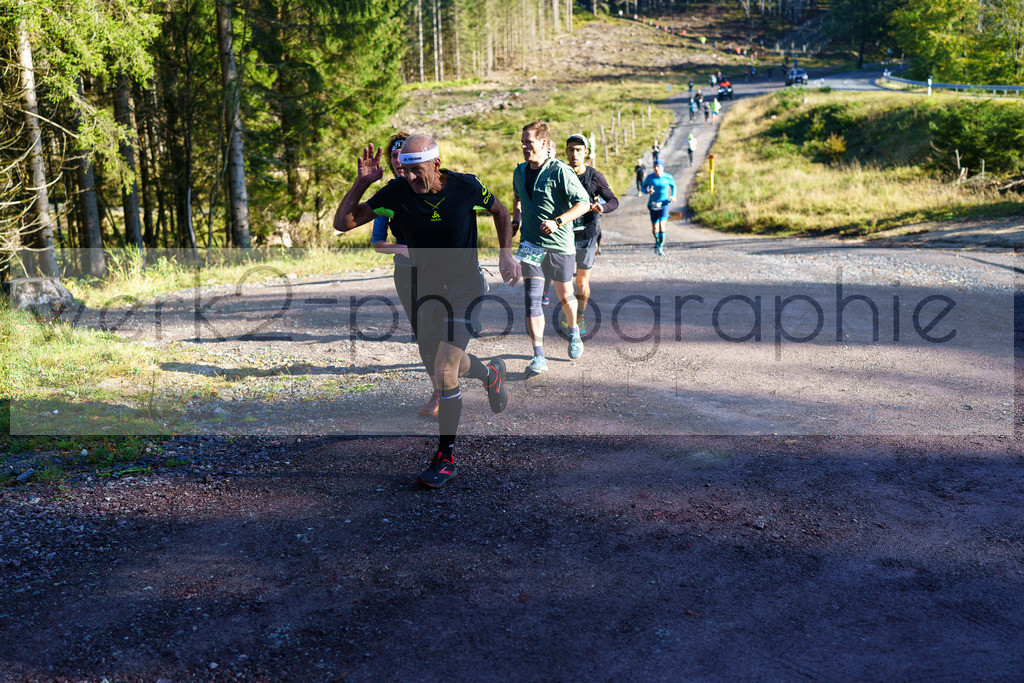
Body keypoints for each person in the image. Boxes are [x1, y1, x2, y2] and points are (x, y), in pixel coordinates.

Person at [334, 134, 522, 489]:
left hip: (466, 288)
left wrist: (505, 254)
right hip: (428, 290)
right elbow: (343, 223)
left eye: (415, 171)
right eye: (404, 171)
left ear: (436, 164)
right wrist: (362, 182)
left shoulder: (466, 186)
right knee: (443, 362)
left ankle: (445, 458)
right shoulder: (395, 192)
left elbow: (499, 211)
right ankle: (491, 374)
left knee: (445, 370)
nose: (408, 178)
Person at [370, 132, 442, 418]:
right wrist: (404, 249)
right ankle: (439, 391)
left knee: (446, 332)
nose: (399, 161)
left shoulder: (437, 187)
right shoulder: (388, 195)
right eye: (394, 156)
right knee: (424, 335)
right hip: (407, 273)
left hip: (442, 271)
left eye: (404, 156)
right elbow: (378, 242)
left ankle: (478, 374)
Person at [512, 121, 590, 375]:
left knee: (565, 295)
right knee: (532, 300)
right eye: (522, 142)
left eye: (529, 142)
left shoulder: (560, 171)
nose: (524, 147)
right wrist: (515, 220)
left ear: (544, 143)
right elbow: (518, 197)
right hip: (530, 244)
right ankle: (539, 355)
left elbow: (583, 203)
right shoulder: (519, 171)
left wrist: (558, 221)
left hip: (559, 245)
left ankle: (574, 331)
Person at [561, 133, 618, 336]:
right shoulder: (560, 174)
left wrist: (602, 207)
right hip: (564, 235)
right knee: (564, 281)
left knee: (581, 281)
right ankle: (569, 314)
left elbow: (613, 201)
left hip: (587, 234)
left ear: (586, 152)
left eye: (578, 150)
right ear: (566, 152)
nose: (574, 154)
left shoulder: (595, 176)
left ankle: (580, 316)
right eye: (571, 150)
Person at [641, 159, 676, 256]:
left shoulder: (668, 177)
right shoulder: (650, 177)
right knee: (655, 227)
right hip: (653, 204)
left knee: (662, 224)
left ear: (662, 168)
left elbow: (674, 186)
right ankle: (657, 241)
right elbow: (643, 188)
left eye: (658, 166)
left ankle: (660, 246)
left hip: (664, 204)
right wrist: (647, 191)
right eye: (655, 166)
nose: (656, 168)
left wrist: (673, 195)